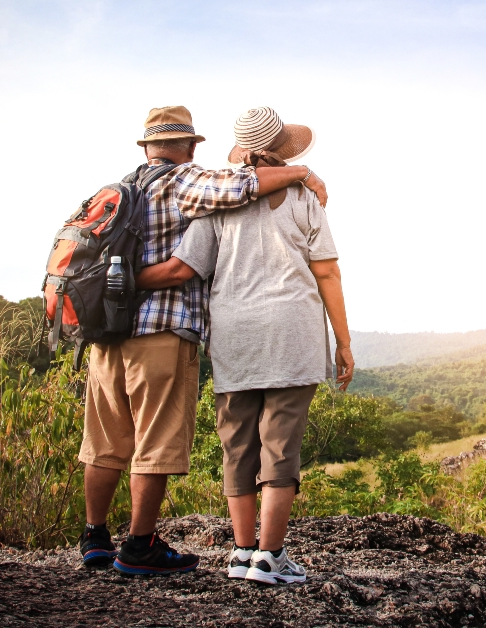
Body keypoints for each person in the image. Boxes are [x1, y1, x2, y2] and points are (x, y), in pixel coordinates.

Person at [77, 105, 330, 575]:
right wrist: (304, 172)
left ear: (147, 146)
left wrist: (114, 284)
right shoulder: (186, 182)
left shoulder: (120, 188)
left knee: (105, 441)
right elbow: (242, 187)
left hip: (106, 332)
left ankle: (94, 538)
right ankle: (139, 546)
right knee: (155, 441)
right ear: (191, 146)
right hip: (159, 330)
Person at [136, 106, 353, 585]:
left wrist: (118, 283)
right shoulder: (303, 196)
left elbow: (186, 267)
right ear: (284, 149)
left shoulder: (220, 203)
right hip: (292, 332)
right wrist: (343, 340)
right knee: (280, 445)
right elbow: (327, 272)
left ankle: (241, 553)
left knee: (237, 446)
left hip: (234, 336)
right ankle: (271, 559)